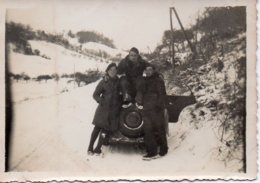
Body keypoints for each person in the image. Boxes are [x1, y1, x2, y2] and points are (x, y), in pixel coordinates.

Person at [87, 63, 122, 155]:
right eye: (111, 70)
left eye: (115, 70)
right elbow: (95, 95)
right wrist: (101, 101)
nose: (113, 72)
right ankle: (90, 147)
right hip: (103, 109)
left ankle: (98, 148)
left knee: (105, 130)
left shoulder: (119, 82)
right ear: (107, 71)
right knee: (97, 128)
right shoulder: (103, 82)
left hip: (113, 111)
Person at [141, 64, 168, 160]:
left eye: (150, 70)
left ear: (153, 70)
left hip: (156, 109)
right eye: (146, 70)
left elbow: (162, 94)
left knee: (160, 129)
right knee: (148, 131)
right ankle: (151, 152)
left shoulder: (158, 80)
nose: (148, 71)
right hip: (146, 109)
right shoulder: (144, 80)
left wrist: (159, 106)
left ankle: (163, 150)